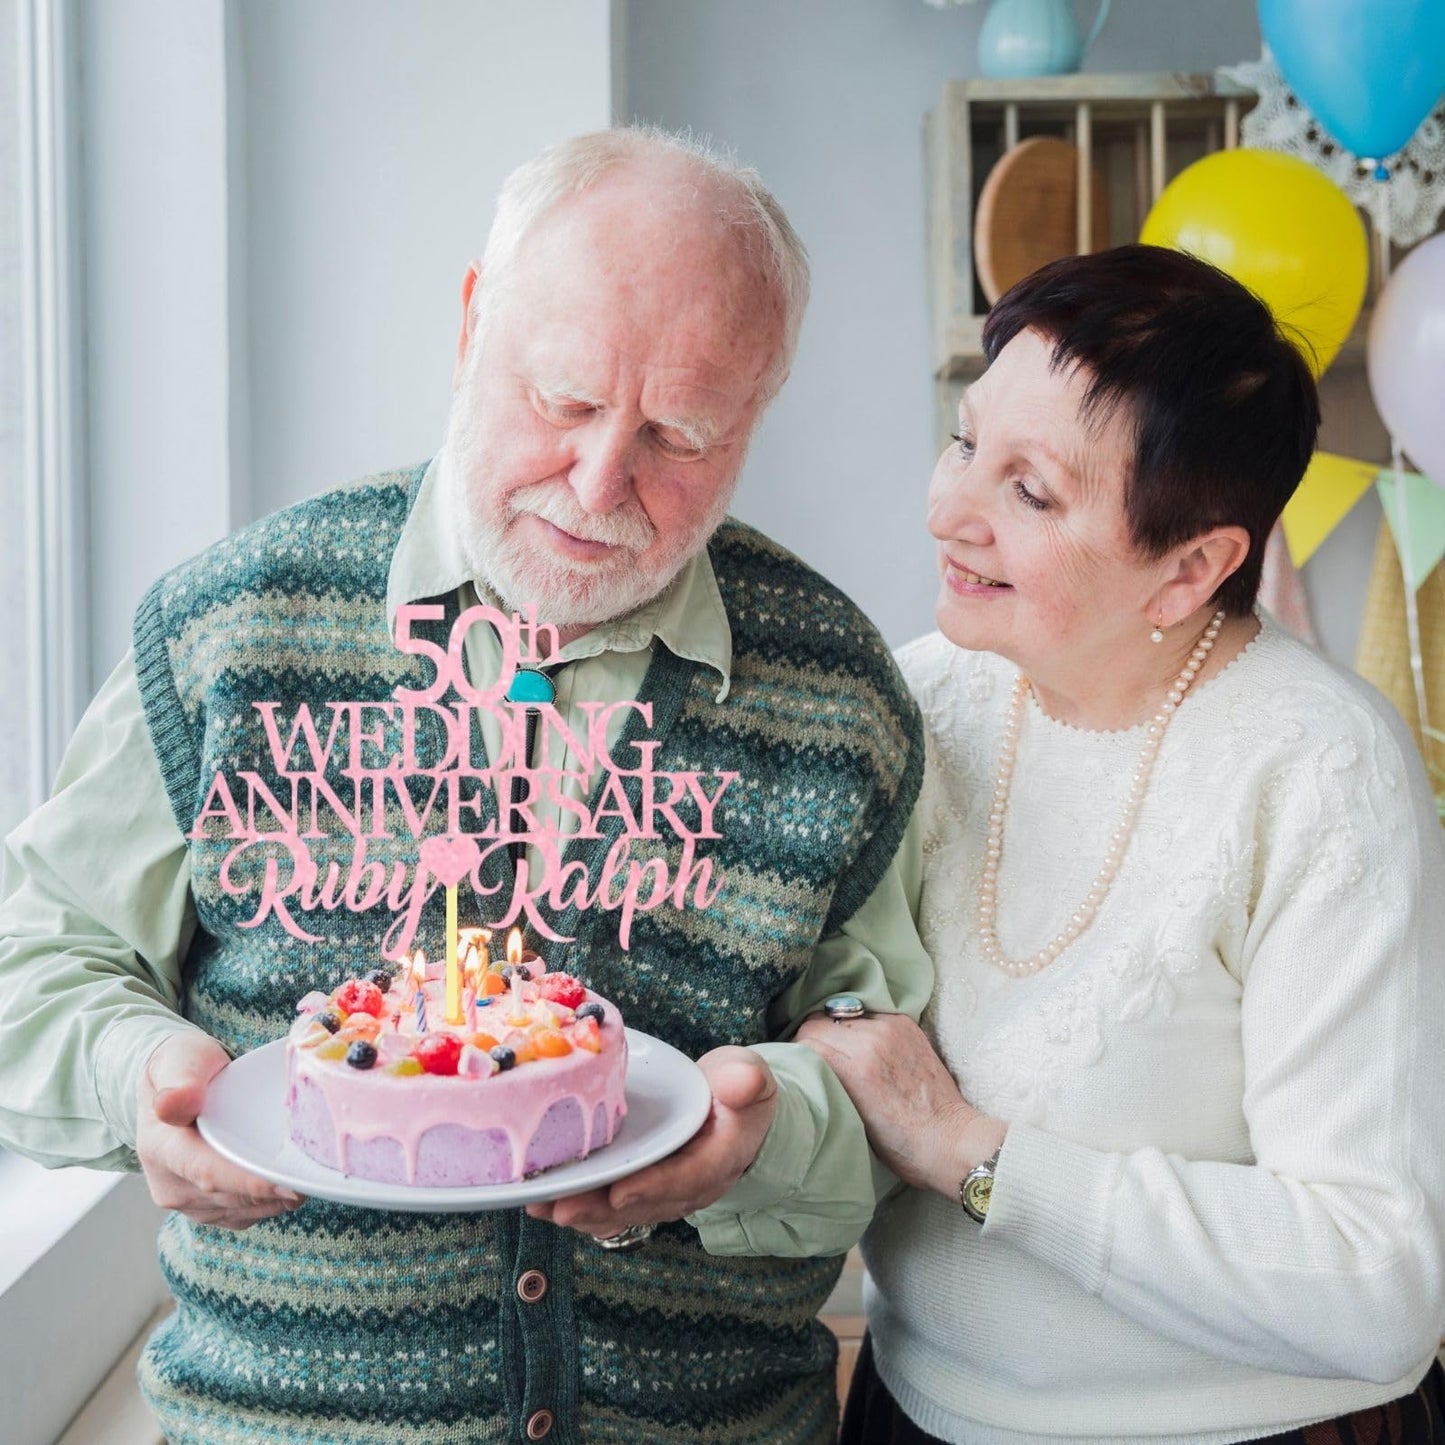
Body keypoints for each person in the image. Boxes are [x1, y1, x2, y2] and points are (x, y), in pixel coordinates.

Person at [0, 127, 933, 1445]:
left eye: (679, 433)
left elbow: (898, 1100)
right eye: (561, 399)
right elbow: (34, 962)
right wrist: (140, 1076)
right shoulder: (234, 629)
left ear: (755, 419)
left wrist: (762, 1138)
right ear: (470, 324)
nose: (601, 481)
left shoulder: (837, 697)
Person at [800, 245, 1445, 1444]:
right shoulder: (909, 698)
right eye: (962, 442)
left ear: (1190, 566)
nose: (948, 511)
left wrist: (971, 1153)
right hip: (913, 1414)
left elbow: (1378, 1282)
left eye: (1029, 491)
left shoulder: (1317, 769)